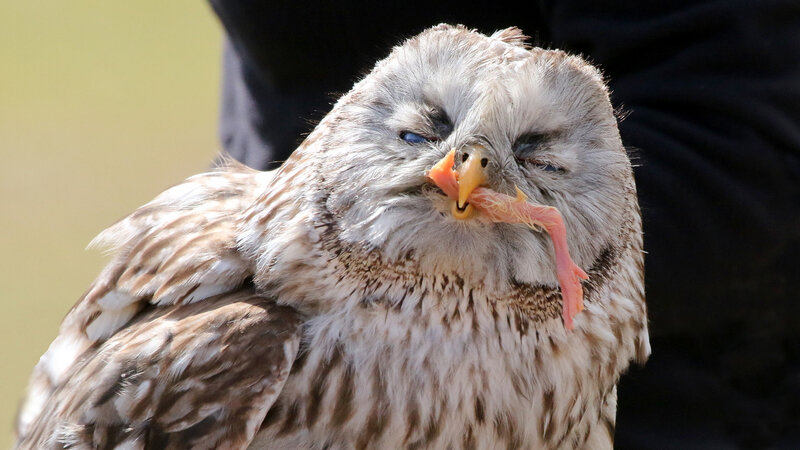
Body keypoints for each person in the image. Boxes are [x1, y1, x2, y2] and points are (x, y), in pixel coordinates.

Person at [208, 1, 800, 447]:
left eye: (539, 159)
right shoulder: (222, 353)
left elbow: (732, 139)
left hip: (680, 381)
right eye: (421, 137)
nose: (468, 175)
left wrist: (487, 334)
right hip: (297, 249)